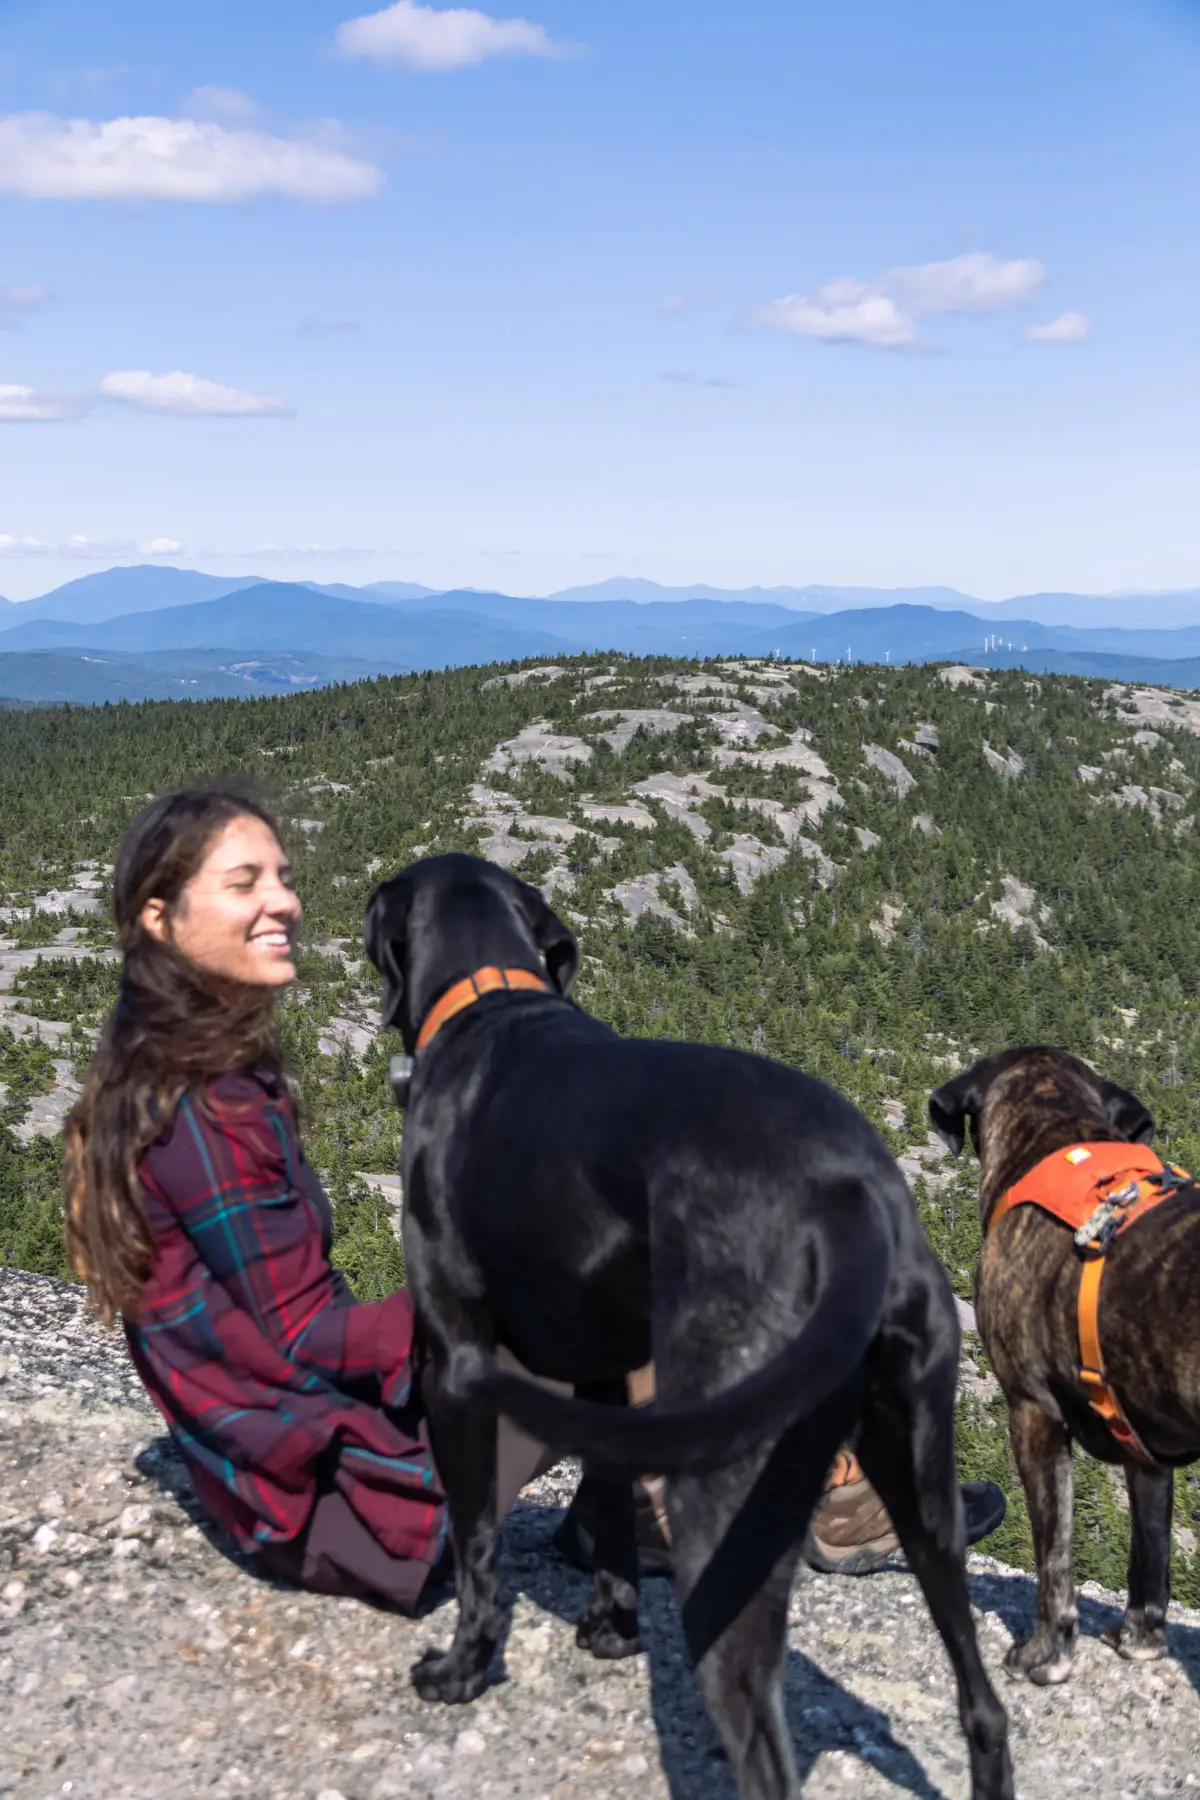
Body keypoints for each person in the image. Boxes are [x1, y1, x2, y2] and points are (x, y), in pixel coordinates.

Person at [65, 779, 1000, 1613]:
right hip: (339, 1504)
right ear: (159, 917)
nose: (285, 902)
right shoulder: (207, 1108)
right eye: (245, 883)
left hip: (286, 1470)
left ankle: (637, 1509)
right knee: (612, 1262)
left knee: (595, 1246)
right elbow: (307, 1338)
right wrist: (483, 1291)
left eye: (280, 876)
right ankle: (818, 1493)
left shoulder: (163, 1065)